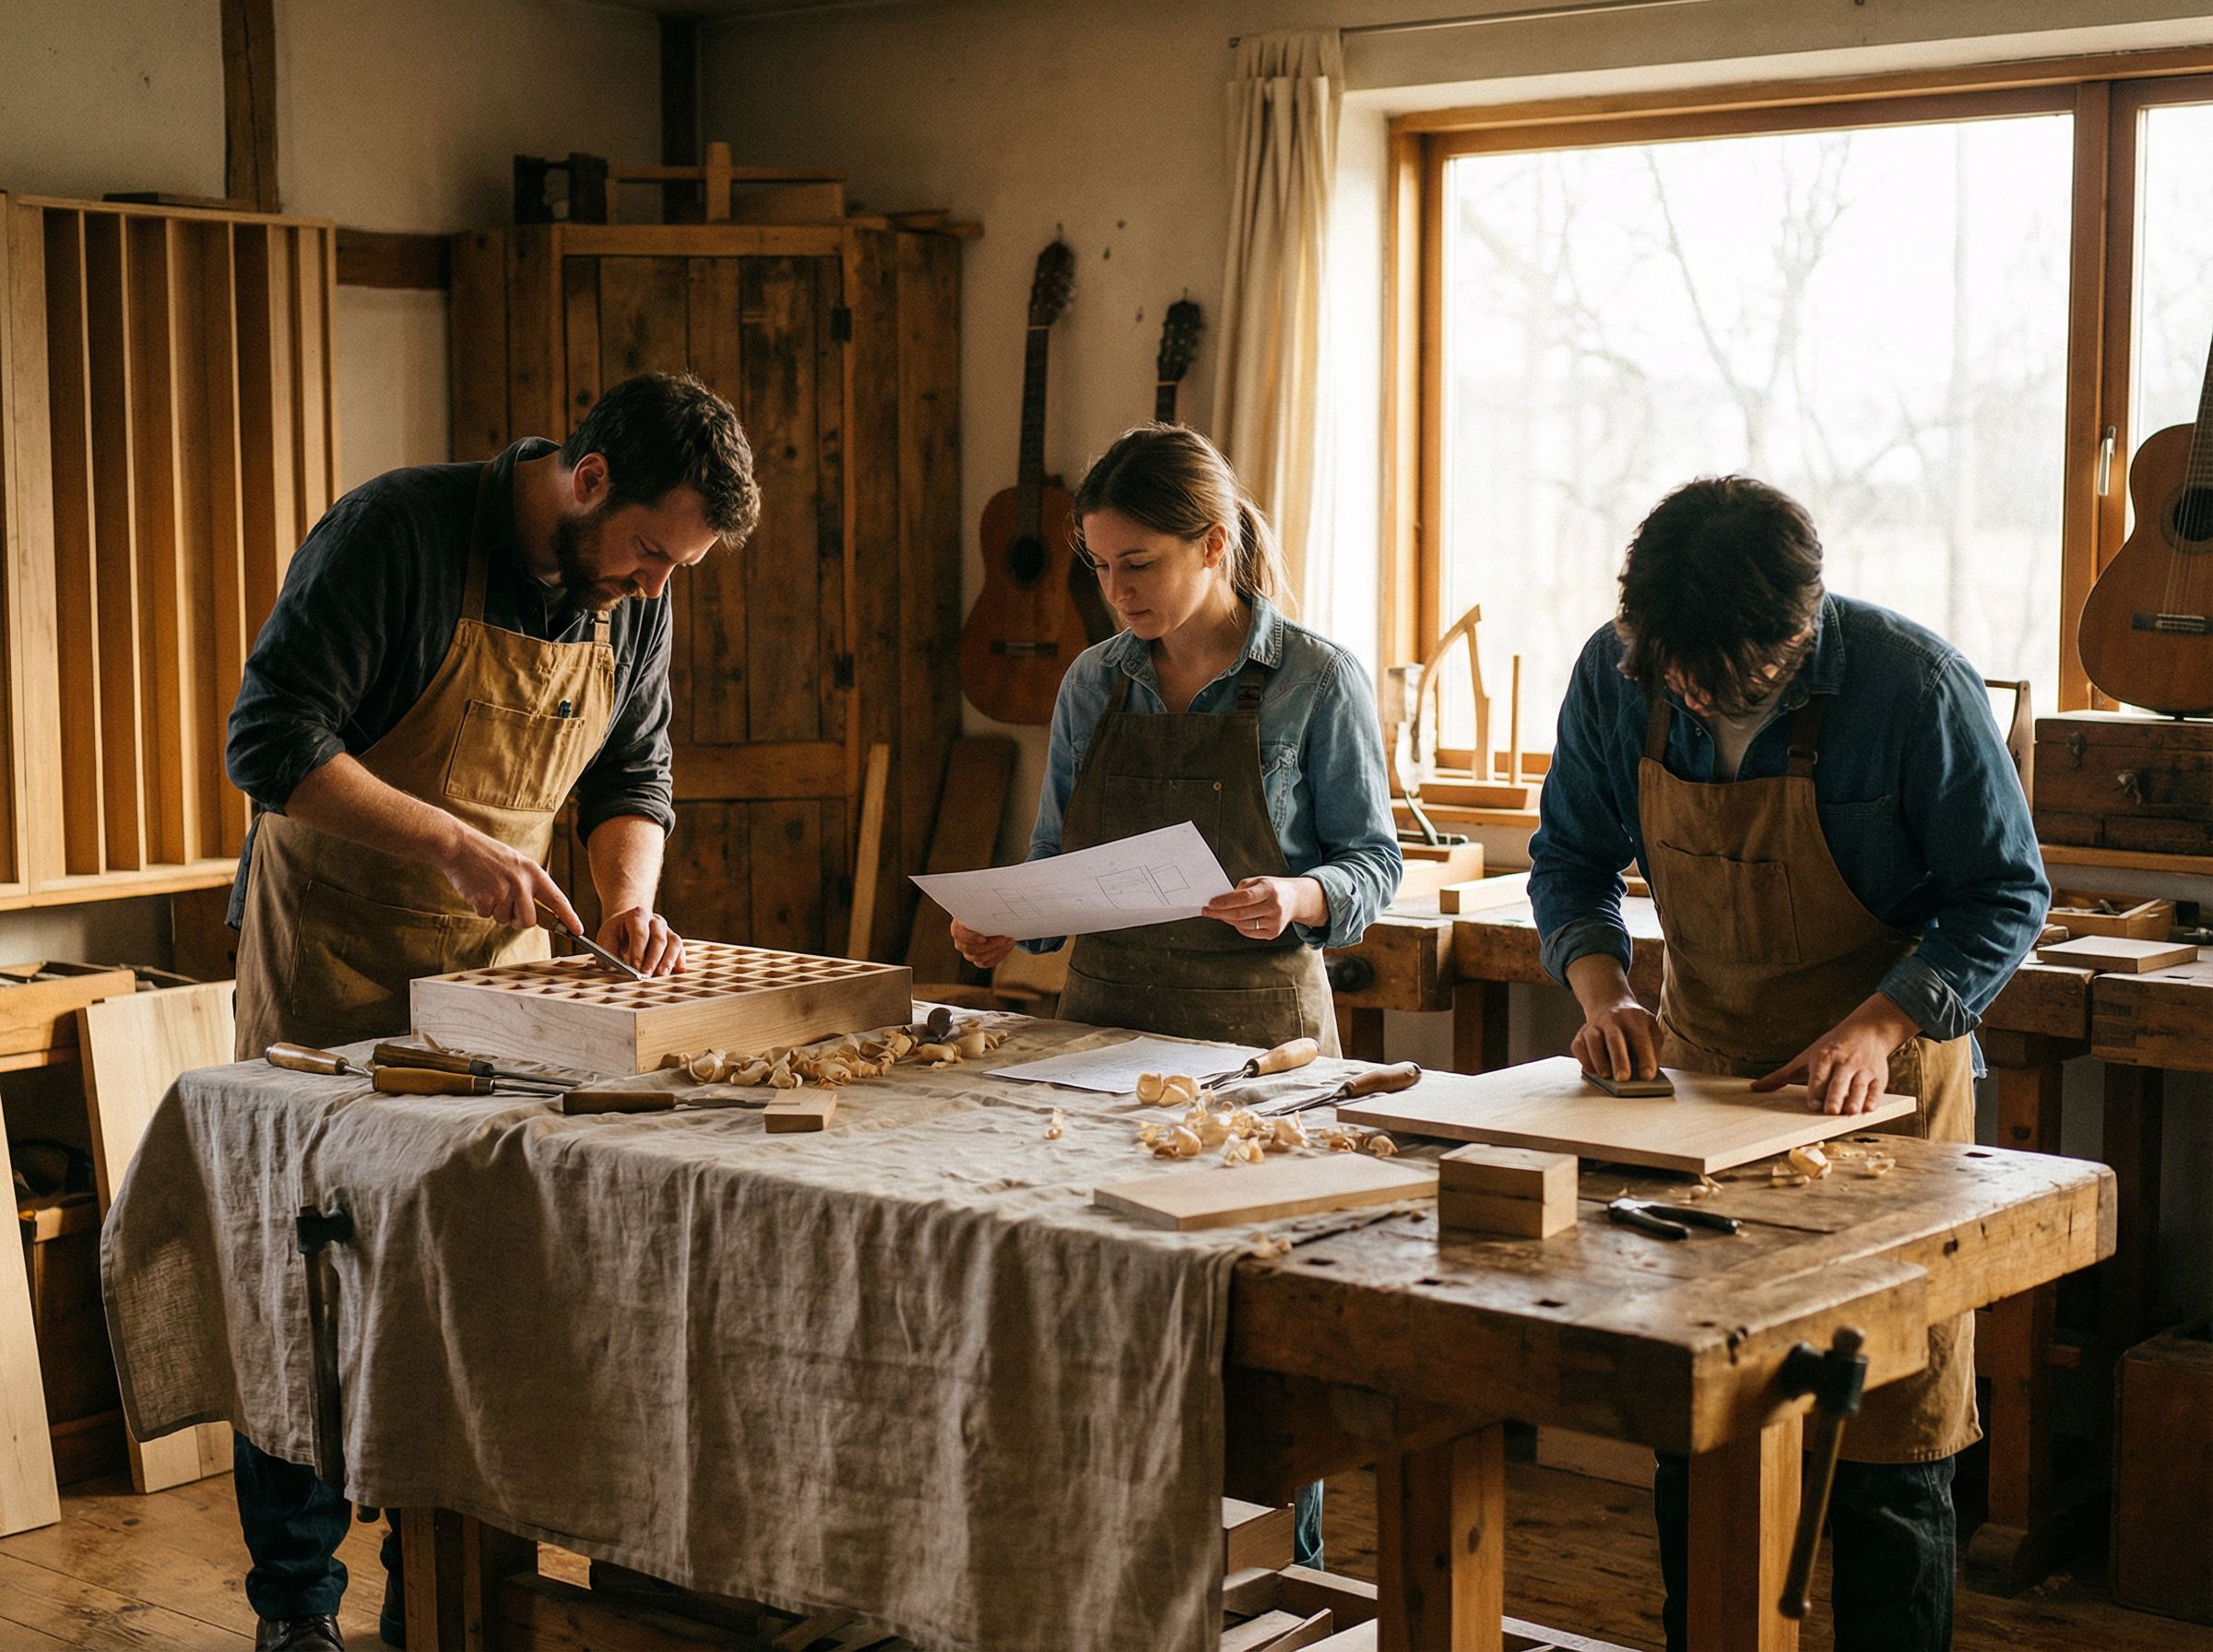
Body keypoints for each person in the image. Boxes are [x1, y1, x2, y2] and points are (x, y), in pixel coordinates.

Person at [223, 371, 762, 1652]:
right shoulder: (396, 535)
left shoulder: (631, 597)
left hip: (494, 981)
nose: (655, 586)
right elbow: (270, 741)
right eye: (648, 553)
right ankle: (296, 1606)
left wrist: (628, 900)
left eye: (678, 568)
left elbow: (633, 772)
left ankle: (439, 1592)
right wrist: (451, 844)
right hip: (332, 960)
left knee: (464, 1286)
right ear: (587, 481)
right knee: (312, 1284)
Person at [1529, 476, 2047, 1652]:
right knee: (1705, 1418)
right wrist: (1605, 991)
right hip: (1703, 1085)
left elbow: (2006, 892)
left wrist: (1881, 1024)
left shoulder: (1914, 686)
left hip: (1884, 1097)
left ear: (1801, 629)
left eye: (1727, 676)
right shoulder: (1618, 672)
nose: (1696, 694)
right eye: (1677, 673)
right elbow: (1570, 858)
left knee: (1886, 1446)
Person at [951, 423, 1402, 1569]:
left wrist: (1298, 896)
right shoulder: (1093, 680)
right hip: (1101, 1041)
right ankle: (1114, 1571)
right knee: (1100, 1304)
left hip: (1261, 1057)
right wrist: (1008, 919)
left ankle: (1278, 1574)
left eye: (1140, 563)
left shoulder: (1314, 680)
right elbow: (1058, 863)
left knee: (1262, 1337)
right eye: (1100, 566)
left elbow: (1373, 863)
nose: (1118, 592)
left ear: (1213, 544)